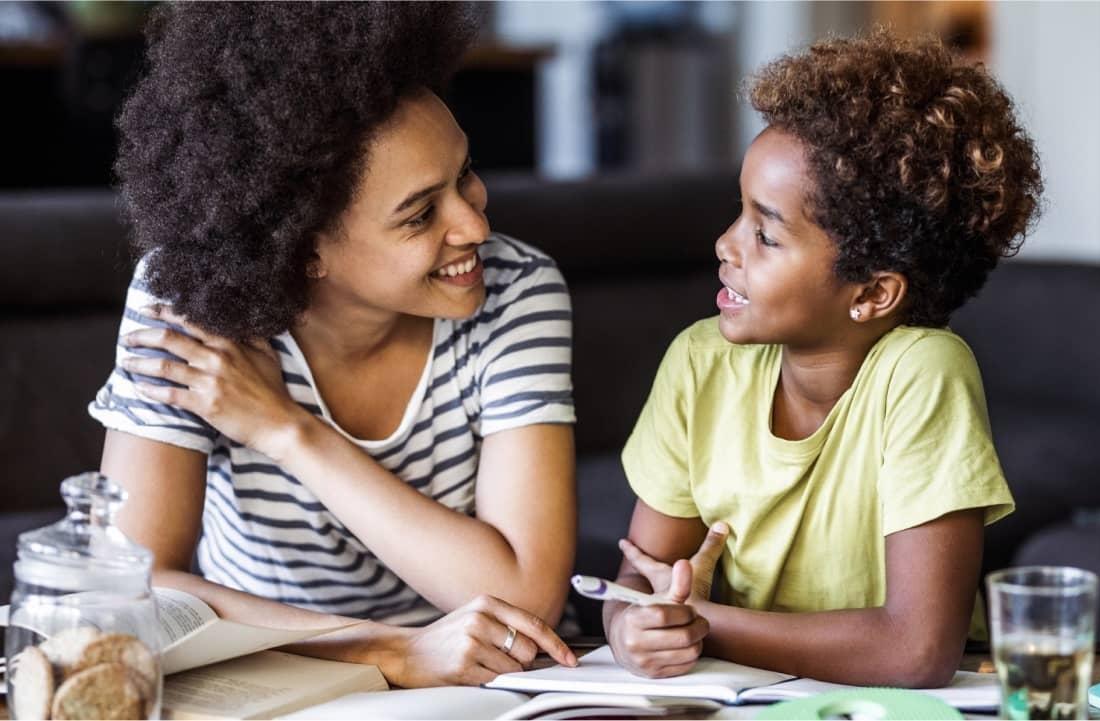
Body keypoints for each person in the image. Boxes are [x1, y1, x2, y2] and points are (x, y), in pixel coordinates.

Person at [91, 2, 579, 687]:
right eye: (420, 213)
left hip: (465, 680)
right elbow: (130, 580)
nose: (474, 223)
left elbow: (527, 595)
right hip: (265, 671)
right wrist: (386, 649)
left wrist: (288, 431)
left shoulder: (518, 290)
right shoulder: (188, 303)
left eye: (465, 173)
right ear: (306, 250)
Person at [604, 30, 1043, 687]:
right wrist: (632, 623)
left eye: (766, 232)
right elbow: (640, 575)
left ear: (871, 293)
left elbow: (917, 651)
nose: (726, 244)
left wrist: (706, 623)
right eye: (738, 212)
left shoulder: (923, 373)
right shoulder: (700, 363)